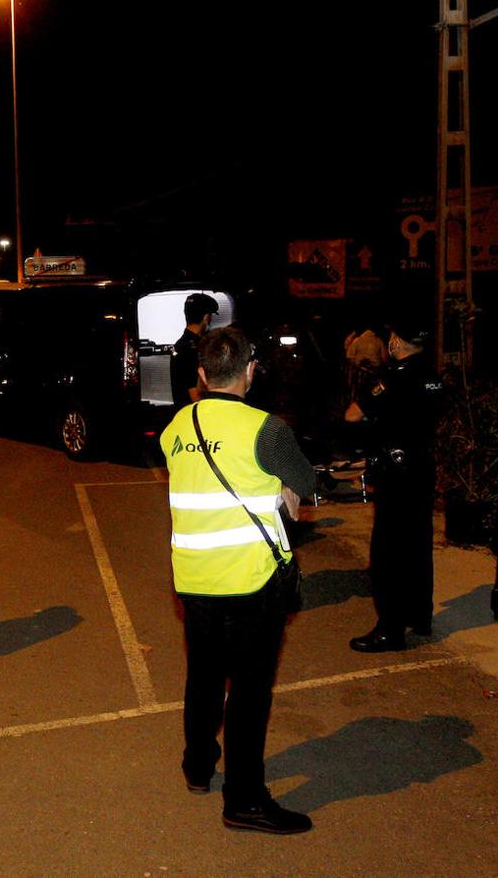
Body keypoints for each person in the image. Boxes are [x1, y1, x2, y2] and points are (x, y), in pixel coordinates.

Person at [161, 326, 316, 834]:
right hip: (251, 580)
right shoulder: (265, 429)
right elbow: (307, 480)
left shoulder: (176, 426)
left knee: (204, 675)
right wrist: (279, 488)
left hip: (193, 576)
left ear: (202, 374)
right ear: (251, 371)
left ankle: (198, 767)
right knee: (250, 691)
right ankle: (244, 799)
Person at [344, 318, 443, 652]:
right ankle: (420, 616)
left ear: (398, 343)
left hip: (395, 471)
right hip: (423, 468)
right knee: (418, 543)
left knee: (387, 551)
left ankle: (390, 629)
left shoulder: (391, 378)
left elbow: (352, 416)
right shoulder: (434, 377)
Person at [170, 293, 220, 408]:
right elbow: (195, 394)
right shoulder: (194, 348)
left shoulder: (180, 344)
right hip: (196, 415)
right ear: (206, 317)